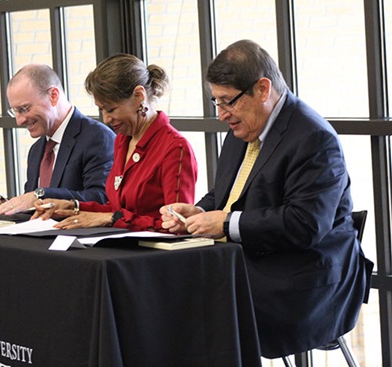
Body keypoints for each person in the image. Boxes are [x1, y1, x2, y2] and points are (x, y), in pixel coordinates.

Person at [160, 40, 373, 358]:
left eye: (227, 101)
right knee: (158, 285)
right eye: (215, 102)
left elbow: (305, 225)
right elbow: (225, 194)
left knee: (191, 304)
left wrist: (225, 223)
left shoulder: (314, 138)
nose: (221, 115)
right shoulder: (243, 127)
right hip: (250, 259)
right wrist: (199, 211)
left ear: (262, 89)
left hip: (305, 277)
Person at [33, 54, 197, 231]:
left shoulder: (175, 147)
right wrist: (73, 207)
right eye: (101, 109)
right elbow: (118, 209)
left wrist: (112, 218)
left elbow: (177, 225)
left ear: (139, 96)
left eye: (111, 109)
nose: (106, 119)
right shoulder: (122, 140)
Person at [0, 64, 115, 214]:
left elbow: (101, 198)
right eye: (15, 111)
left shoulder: (98, 137)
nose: (19, 121)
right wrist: (7, 205)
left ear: (53, 96)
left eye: (24, 109)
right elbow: (34, 203)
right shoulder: (36, 150)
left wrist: (41, 194)